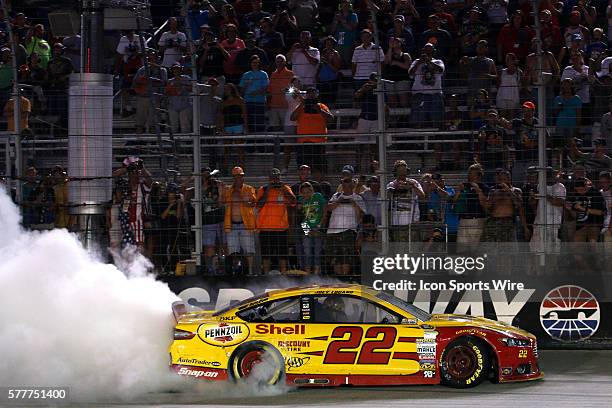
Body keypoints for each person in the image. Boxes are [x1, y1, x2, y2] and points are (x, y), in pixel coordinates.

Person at [256, 168, 296, 273]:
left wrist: (283, 189)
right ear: (269, 179)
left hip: (281, 229)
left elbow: (293, 201)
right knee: (266, 255)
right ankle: (266, 276)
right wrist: (268, 190)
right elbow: (258, 205)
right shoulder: (263, 189)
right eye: (273, 178)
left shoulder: (285, 188)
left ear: (280, 178)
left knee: (283, 255)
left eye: (277, 178)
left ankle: (283, 275)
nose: (275, 180)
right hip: (265, 228)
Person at [291, 87, 334, 179]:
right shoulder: (301, 107)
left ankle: (318, 188)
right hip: (303, 143)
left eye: (313, 94)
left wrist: (320, 110)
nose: (311, 96)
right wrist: (302, 103)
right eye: (309, 94)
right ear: (306, 95)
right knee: (303, 168)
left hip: (319, 143)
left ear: (317, 95)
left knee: (319, 169)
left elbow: (331, 119)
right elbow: (292, 117)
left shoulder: (322, 106)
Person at [220, 166, 257, 275]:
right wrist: (221, 191)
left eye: (240, 176)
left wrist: (242, 200)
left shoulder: (249, 189)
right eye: (236, 176)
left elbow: (254, 203)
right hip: (231, 225)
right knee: (233, 252)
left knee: (248, 250)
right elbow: (222, 202)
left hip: (246, 225)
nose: (238, 178)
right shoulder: (228, 190)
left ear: (243, 177)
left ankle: (249, 272)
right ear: (233, 177)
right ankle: (235, 271)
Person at [112, 157, 153, 251]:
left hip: (139, 218)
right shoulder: (124, 184)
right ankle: (130, 263)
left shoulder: (143, 185)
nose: (135, 174)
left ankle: (141, 264)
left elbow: (150, 181)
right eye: (133, 172)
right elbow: (113, 175)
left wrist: (142, 168)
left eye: (137, 172)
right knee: (128, 245)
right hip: (126, 219)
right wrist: (127, 168)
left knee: (140, 243)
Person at [326, 177, 366, 275]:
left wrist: (354, 204)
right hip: (333, 231)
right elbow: (329, 208)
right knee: (335, 259)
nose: (346, 187)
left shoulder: (358, 198)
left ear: (352, 186)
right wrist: (339, 201)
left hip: (348, 231)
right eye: (344, 185)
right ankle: (338, 280)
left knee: (346, 258)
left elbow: (361, 216)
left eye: (349, 185)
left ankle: (345, 279)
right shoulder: (336, 195)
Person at [482, 168, 528, 242]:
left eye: (505, 178)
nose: (503, 180)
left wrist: (509, 191)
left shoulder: (516, 190)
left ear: (509, 178)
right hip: (493, 222)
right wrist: (486, 203)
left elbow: (519, 204)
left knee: (507, 249)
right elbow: (487, 207)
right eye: (501, 178)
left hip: (508, 222)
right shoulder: (493, 191)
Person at [453, 164, 489, 251]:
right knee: (462, 250)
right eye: (470, 173)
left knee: (475, 250)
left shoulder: (484, 187)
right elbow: (454, 202)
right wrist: (458, 191)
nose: (471, 176)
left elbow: (486, 204)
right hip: (463, 220)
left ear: (479, 175)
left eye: (474, 174)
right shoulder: (464, 185)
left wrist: (478, 190)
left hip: (477, 220)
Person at [387, 160, 425, 244]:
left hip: (413, 222)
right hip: (397, 223)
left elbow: (422, 196)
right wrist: (394, 188)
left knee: (413, 250)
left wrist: (413, 186)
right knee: (399, 250)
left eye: (404, 170)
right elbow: (385, 199)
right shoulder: (391, 184)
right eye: (400, 171)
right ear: (395, 172)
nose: (402, 173)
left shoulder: (414, 182)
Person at [530, 167, 566, 255]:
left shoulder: (560, 187)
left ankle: (551, 269)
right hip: (539, 223)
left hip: (553, 224)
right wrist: (532, 198)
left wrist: (544, 195)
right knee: (537, 252)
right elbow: (533, 203)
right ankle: (539, 268)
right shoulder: (539, 186)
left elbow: (560, 202)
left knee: (551, 252)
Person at [408, 43, 445, 128]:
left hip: (435, 94)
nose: (428, 52)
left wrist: (429, 61)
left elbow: (441, 70)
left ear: (434, 52)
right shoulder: (417, 62)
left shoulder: (438, 62)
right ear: (423, 51)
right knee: (418, 121)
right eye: (426, 50)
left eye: (430, 50)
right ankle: (418, 139)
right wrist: (419, 63)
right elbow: (410, 74)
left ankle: (436, 139)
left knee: (437, 120)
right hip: (419, 94)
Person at [133, 49, 167, 134]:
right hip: (142, 97)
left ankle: (154, 144)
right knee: (140, 121)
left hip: (155, 97)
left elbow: (164, 82)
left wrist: (150, 81)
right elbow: (135, 82)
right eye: (150, 59)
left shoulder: (162, 70)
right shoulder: (142, 70)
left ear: (157, 58)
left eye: (153, 58)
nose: (151, 60)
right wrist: (142, 82)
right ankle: (139, 142)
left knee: (154, 122)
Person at [297, 181, 326, 273]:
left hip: (318, 227)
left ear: (312, 191)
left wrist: (320, 226)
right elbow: (300, 216)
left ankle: (317, 274)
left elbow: (325, 210)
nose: (306, 194)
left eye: (308, 192)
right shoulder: (301, 200)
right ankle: (308, 274)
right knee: (307, 252)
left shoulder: (318, 196)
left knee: (317, 252)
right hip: (306, 227)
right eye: (304, 192)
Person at [239, 55, 269, 134]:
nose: (255, 64)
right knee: (249, 124)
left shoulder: (263, 74)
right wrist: (246, 84)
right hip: (248, 102)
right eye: (253, 62)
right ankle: (250, 143)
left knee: (260, 124)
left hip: (260, 102)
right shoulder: (246, 75)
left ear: (259, 63)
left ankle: (260, 143)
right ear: (250, 63)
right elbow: (241, 91)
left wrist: (255, 92)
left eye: (257, 62)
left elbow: (266, 88)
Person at [383, 36, 412, 109]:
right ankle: (394, 119)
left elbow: (408, 66)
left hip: (403, 79)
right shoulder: (389, 54)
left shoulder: (406, 55)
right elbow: (387, 62)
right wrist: (390, 48)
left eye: (397, 41)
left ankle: (404, 118)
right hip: (390, 80)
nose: (394, 43)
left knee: (404, 102)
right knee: (392, 103)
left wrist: (396, 63)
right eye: (393, 41)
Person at [165, 63, 192, 134]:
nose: (176, 71)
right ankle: (174, 143)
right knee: (173, 126)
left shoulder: (186, 78)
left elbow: (192, 88)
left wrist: (182, 85)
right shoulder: (170, 81)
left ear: (181, 70)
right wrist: (174, 88)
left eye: (178, 69)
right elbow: (166, 92)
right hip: (172, 106)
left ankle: (185, 143)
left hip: (184, 105)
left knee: (185, 126)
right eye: (174, 70)